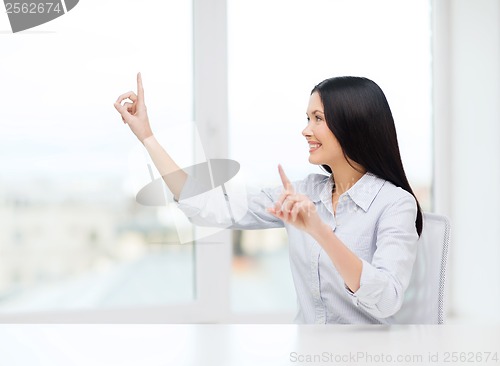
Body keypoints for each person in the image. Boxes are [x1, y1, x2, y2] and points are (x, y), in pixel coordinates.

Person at [114, 73, 423, 324]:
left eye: (318, 118)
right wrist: (147, 137)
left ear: (352, 124)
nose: (305, 130)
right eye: (307, 118)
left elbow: (386, 300)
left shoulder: (395, 205)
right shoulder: (304, 193)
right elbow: (208, 208)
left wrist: (319, 230)